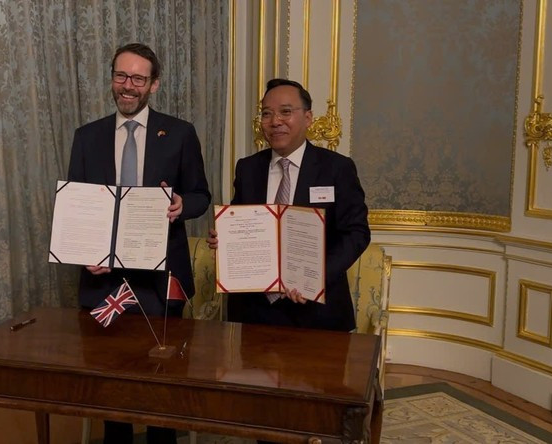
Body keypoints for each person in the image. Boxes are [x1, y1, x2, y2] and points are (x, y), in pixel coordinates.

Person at [67, 43, 210, 444]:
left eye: (138, 79)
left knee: (161, 384)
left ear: (154, 84)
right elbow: (79, 209)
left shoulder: (180, 133)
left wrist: (182, 205)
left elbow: (201, 194)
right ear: (112, 78)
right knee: (114, 386)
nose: (127, 86)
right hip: (105, 282)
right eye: (121, 76)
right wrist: (85, 252)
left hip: (162, 282)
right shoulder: (87, 136)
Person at [208, 78, 370, 333]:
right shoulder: (248, 168)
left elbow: (357, 233)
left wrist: (314, 279)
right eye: (267, 114)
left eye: (286, 112)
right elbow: (242, 222)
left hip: (317, 311)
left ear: (307, 118)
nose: (275, 122)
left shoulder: (337, 168)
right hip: (254, 310)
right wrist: (226, 239)